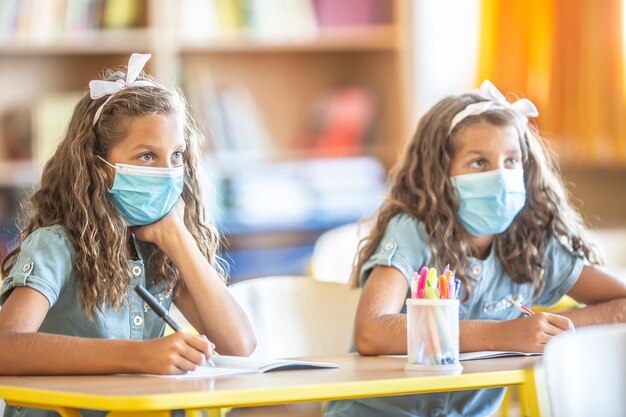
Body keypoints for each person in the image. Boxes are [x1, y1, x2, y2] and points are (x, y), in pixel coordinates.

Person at [325, 80, 626, 417]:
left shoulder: (533, 243)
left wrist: (548, 331)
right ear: (439, 173)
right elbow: (372, 331)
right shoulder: (414, 230)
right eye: (479, 163)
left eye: (511, 161)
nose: (500, 177)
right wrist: (504, 335)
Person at [0, 53, 255, 391]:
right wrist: (139, 356)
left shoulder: (159, 251)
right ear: (99, 166)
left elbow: (240, 346)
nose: (167, 172)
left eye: (176, 155)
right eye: (147, 156)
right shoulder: (56, 245)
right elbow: (6, 347)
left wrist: (177, 237)